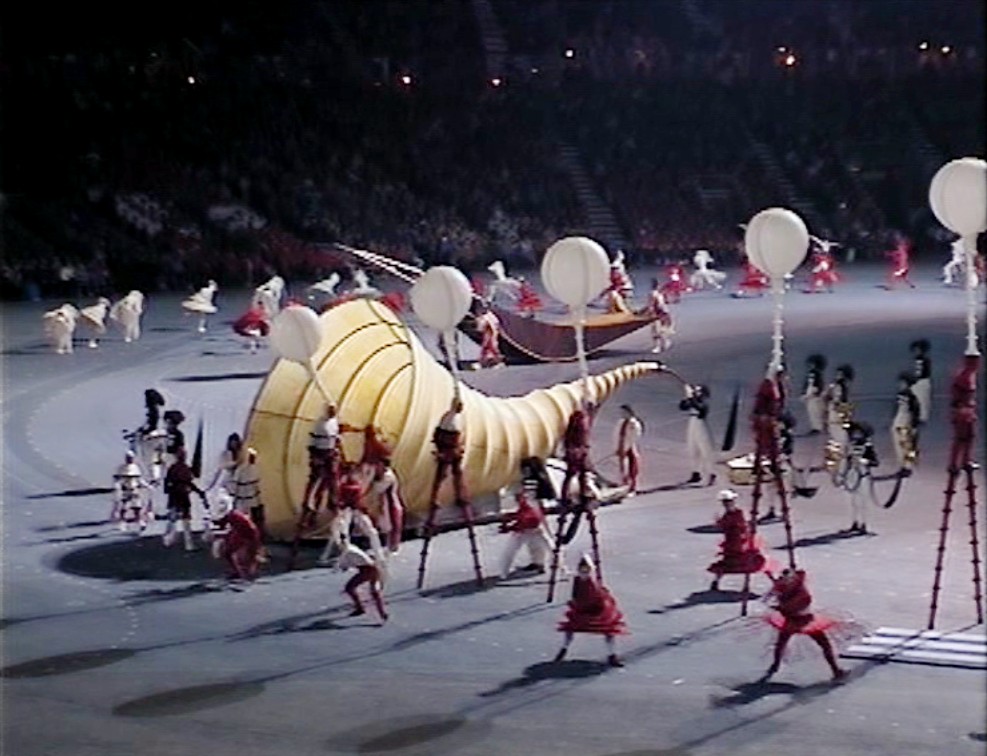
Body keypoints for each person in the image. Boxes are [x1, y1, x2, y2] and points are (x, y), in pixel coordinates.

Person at [758, 568, 847, 682]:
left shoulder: (785, 591)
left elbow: (799, 574)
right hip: (804, 621)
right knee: (824, 644)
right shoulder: (793, 591)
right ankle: (836, 670)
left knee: (781, 643)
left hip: (792, 622)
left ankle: (775, 665)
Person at [554, 554, 627, 668]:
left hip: (596, 611)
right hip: (582, 610)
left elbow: (597, 597)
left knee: (608, 631)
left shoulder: (592, 582)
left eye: (586, 570)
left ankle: (612, 655)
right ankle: (564, 649)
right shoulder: (577, 581)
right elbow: (576, 595)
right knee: (570, 628)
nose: (584, 573)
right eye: (582, 570)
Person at [708, 489, 767, 590]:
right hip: (731, 541)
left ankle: (746, 584)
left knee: (747, 561)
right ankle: (716, 581)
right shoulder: (727, 515)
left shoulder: (738, 513)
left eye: (729, 502)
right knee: (728, 562)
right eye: (725, 502)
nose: (727, 504)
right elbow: (725, 526)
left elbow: (741, 525)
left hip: (740, 541)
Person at [337, 507, 389, 622]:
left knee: (350, 588)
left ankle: (361, 608)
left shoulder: (348, 550)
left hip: (368, 570)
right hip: (372, 568)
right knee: (373, 591)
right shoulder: (350, 549)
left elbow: (343, 564)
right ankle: (382, 613)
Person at [500, 481, 553, 578]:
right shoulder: (520, 500)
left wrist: (511, 526)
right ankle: (504, 572)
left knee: (549, 547)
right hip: (525, 529)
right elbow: (518, 515)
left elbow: (532, 517)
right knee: (510, 551)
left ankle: (546, 565)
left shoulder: (535, 501)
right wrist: (510, 524)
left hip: (534, 528)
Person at [209, 490, 262, 582]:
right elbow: (222, 524)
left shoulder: (234, 516)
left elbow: (237, 531)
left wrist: (221, 537)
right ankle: (239, 572)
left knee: (245, 556)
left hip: (248, 536)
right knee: (229, 552)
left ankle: (246, 573)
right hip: (243, 534)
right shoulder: (232, 515)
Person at [303, 403, 344, 515]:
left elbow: (335, 436)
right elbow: (313, 441)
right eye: (331, 410)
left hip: (330, 453)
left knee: (333, 478)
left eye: (334, 410)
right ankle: (308, 502)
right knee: (315, 478)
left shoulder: (334, 422)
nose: (333, 412)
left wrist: (336, 449)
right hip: (320, 453)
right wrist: (314, 457)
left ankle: (333, 502)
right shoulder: (320, 424)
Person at [428, 397, 468, 508]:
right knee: (443, 474)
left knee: (456, 473)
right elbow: (448, 436)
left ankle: (460, 496)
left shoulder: (450, 417)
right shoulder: (451, 419)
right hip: (449, 450)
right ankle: (435, 498)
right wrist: (456, 447)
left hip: (450, 450)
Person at [163, 448, 205, 551]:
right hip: (180, 495)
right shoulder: (182, 468)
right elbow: (188, 483)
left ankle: (172, 540)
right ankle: (179, 541)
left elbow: (169, 482)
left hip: (178, 495)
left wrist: (199, 492)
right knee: (178, 519)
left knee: (178, 518)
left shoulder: (176, 468)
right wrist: (199, 492)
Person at [841, 421, 878, 535]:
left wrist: (864, 461)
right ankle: (854, 522)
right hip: (852, 475)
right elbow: (846, 461)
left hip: (863, 475)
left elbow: (875, 462)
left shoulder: (867, 446)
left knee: (863, 501)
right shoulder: (850, 446)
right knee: (853, 502)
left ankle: (863, 523)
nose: (856, 435)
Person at [680, 384, 715, 486]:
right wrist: (687, 397)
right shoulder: (693, 401)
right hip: (692, 423)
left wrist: (691, 398)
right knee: (692, 448)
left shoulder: (704, 403)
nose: (696, 393)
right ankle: (696, 472)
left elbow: (701, 410)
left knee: (705, 450)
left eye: (698, 391)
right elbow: (682, 406)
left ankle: (711, 473)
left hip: (701, 424)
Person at [110, 450, 153, 533]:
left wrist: (147, 486)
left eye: (131, 458)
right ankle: (122, 522)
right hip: (125, 490)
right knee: (124, 507)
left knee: (137, 507)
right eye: (128, 458)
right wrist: (117, 486)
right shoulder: (121, 468)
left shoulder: (136, 468)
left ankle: (140, 521)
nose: (130, 459)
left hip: (135, 490)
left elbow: (139, 479)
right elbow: (117, 479)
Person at [369, 457, 405, 553]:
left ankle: (392, 547)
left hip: (390, 504)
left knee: (392, 525)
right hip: (383, 503)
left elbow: (378, 488)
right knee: (385, 526)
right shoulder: (381, 475)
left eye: (378, 465)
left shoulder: (388, 476)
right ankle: (387, 546)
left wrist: (371, 480)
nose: (376, 467)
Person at [890, 373, 920, 473]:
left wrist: (914, 425)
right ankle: (903, 465)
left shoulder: (911, 397)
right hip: (899, 419)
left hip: (905, 420)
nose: (900, 385)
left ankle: (907, 466)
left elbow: (914, 411)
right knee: (899, 443)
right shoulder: (901, 395)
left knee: (905, 443)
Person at [616, 404, 643, 494]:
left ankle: (633, 486)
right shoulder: (621, 422)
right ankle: (624, 484)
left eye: (624, 412)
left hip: (630, 447)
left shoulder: (634, 424)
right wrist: (617, 446)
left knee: (633, 467)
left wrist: (627, 447)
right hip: (622, 446)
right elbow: (616, 435)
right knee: (623, 467)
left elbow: (634, 436)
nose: (622, 414)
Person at [644, 278, 674, 353]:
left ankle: (662, 344)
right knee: (658, 330)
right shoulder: (657, 294)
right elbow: (652, 304)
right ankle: (661, 344)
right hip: (660, 313)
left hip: (659, 313)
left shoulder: (656, 294)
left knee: (658, 331)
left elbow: (652, 305)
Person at [801, 354, 827, 434]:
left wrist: (807, 394)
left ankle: (817, 427)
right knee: (814, 411)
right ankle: (817, 426)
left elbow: (814, 385)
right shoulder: (817, 374)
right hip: (813, 395)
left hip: (814, 396)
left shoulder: (815, 374)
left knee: (814, 412)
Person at [910, 339, 932, 424]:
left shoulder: (920, 360)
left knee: (921, 399)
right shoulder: (924, 360)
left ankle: (921, 416)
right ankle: (919, 416)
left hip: (921, 382)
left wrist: (914, 379)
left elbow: (919, 373)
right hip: (922, 381)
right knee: (921, 399)